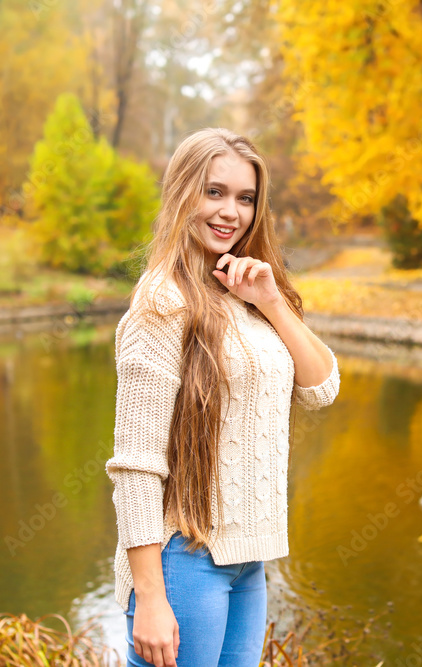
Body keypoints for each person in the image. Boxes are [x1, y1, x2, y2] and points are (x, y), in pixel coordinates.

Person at [105, 127, 340, 667]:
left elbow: (322, 386)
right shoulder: (161, 304)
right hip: (184, 560)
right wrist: (151, 598)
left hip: (247, 560)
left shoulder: (246, 294)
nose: (230, 211)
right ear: (183, 192)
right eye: (214, 192)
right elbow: (136, 464)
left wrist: (273, 302)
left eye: (245, 197)